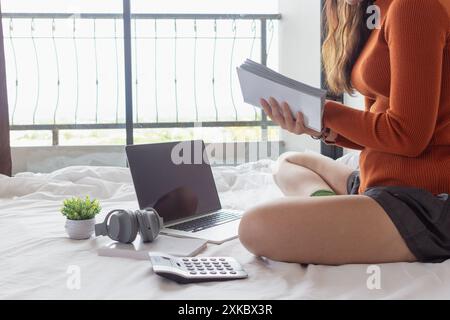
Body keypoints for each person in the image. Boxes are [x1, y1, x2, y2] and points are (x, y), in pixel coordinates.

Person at [238, 0, 450, 265]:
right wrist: (322, 127)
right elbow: (380, 125)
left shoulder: (416, 7)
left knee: (254, 226)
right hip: (380, 181)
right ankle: (333, 210)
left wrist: (326, 111)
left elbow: (408, 137)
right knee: (289, 163)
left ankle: (341, 217)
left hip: (425, 202)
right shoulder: (380, 10)